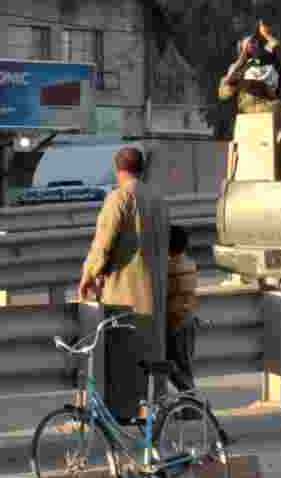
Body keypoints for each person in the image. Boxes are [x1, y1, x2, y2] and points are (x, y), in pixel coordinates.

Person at [78, 147, 169, 426]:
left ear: (118, 170)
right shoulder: (158, 199)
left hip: (124, 292)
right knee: (152, 352)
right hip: (156, 289)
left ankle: (122, 411)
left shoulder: (118, 198)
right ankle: (154, 409)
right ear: (141, 168)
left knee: (123, 351)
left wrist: (88, 275)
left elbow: (103, 244)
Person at [218, 17, 281, 115]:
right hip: (249, 105)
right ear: (243, 47)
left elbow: (275, 44)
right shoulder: (238, 66)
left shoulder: (263, 59)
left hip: (268, 102)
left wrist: (265, 34)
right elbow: (228, 81)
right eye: (250, 42)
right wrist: (243, 56)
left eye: (255, 41)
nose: (254, 43)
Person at [166, 226, 198, 393]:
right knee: (183, 368)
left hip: (178, 324)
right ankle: (189, 407)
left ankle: (192, 409)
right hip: (187, 321)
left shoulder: (171, 268)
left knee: (179, 370)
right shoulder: (190, 264)